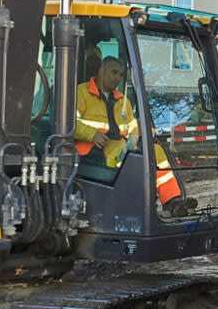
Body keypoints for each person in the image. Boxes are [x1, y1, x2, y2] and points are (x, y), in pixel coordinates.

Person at [74, 56, 194, 215]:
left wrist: (141, 138)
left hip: (119, 149)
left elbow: (132, 127)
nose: (118, 78)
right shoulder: (81, 93)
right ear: (101, 71)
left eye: (121, 75)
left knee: (155, 151)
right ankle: (137, 204)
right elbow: (69, 123)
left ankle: (172, 201)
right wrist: (92, 135)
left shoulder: (122, 101)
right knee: (132, 159)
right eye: (114, 73)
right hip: (90, 152)